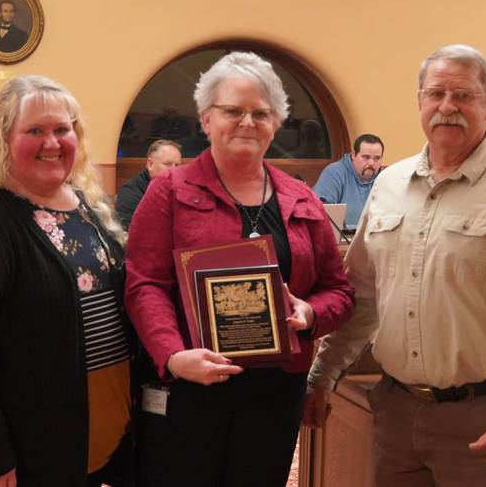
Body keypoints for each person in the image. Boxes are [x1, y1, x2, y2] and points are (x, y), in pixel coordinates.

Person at [304, 44, 486, 487]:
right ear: (419, 102)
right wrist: (323, 376)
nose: (447, 107)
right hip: (395, 411)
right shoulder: (389, 185)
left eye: (463, 96)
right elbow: (362, 294)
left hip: (483, 419)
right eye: (436, 94)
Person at [125, 51, 354, 487]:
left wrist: (308, 315)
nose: (247, 122)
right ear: (206, 118)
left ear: (275, 123)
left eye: (261, 113)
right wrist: (173, 356)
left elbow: (338, 291)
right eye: (233, 111)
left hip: (273, 395)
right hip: (190, 388)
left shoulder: (301, 197)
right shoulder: (169, 193)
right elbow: (144, 284)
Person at [0, 75, 134, 487]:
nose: (52, 143)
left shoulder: (89, 207)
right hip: (16, 451)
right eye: (34, 131)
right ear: (2, 139)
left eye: (62, 129)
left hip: (82, 440)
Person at [312, 133, 384, 228]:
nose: (371, 163)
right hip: (341, 239)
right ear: (353, 155)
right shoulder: (334, 173)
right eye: (366, 157)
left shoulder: (385, 178)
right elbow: (322, 213)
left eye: (377, 158)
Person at [115, 139, 182, 229]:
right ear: (150, 164)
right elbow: (130, 232)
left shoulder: (181, 188)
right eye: (167, 164)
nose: (174, 170)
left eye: (177, 165)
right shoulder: (130, 192)